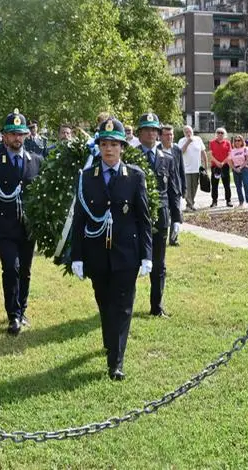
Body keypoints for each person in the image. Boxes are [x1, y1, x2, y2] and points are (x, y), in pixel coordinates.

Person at [70, 117, 152, 380]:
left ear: (122, 148)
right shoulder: (86, 177)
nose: (109, 150)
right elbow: (80, 219)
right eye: (104, 144)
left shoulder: (135, 177)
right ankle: (110, 344)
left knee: (123, 307)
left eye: (114, 145)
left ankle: (116, 361)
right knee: (105, 304)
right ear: (99, 146)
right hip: (97, 254)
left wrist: (147, 255)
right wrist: (77, 257)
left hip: (126, 254)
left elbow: (144, 219)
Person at [0, 109, 42, 335]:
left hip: (28, 227)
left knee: (25, 270)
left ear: (26, 136)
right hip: (5, 227)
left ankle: (22, 309)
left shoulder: (36, 161)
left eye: (20, 134)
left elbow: (41, 197)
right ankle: (13, 315)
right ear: (4, 137)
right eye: (12, 134)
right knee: (11, 268)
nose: (17, 138)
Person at [137, 113, 182, 317]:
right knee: (131, 263)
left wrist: (177, 219)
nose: (151, 133)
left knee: (159, 264)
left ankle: (157, 306)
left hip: (160, 216)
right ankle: (125, 305)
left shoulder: (167, 158)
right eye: (147, 129)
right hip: (135, 217)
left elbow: (173, 190)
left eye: (154, 130)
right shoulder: (131, 156)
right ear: (139, 134)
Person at [157, 124, 185, 246]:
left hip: (174, 186)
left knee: (176, 212)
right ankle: (160, 236)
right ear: (161, 136)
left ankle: (174, 238)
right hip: (161, 188)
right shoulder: (157, 149)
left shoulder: (177, 149)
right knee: (163, 214)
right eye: (166, 135)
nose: (169, 137)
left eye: (171, 134)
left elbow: (181, 169)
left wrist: (183, 187)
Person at [177, 125, 207, 211]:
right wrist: (188, 142)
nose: (188, 133)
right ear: (184, 133)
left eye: (189, 131)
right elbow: (180, 152)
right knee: (187, 187)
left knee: (194, 186)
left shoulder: (198, 139)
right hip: (185, 169)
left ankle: (191, 203)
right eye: (186, 132)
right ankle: (189, 205)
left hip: (196, 168)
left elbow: (203, 152)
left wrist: (205, 166)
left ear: (192, 131)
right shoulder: (181, 141)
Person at [209, 128, 233, 208]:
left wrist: (222, 162)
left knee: (227, 184)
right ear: (216, 134)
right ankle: (214, 201)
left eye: (221, 133)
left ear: (224, 134)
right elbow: (211, 155)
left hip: (225, 166)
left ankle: (228, 200)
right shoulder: (212, 142)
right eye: (218, 132)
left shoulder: (228, 143)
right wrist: (217, 162)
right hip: (215, 166)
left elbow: (229, 155)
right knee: (214, 184)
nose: (220, 134)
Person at [229, 134, 248, 208]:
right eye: (235, 140)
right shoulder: (232, 151)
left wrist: (241, 167)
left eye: (239, 140)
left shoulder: (245, 149)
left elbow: (247, 160)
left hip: (244, 168)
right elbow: (230, 162)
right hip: (235, 169)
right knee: (238, 186)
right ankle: (241, 202)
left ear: (242, 141)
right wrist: (234, 168)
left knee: (246, 184)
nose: (237, 142)